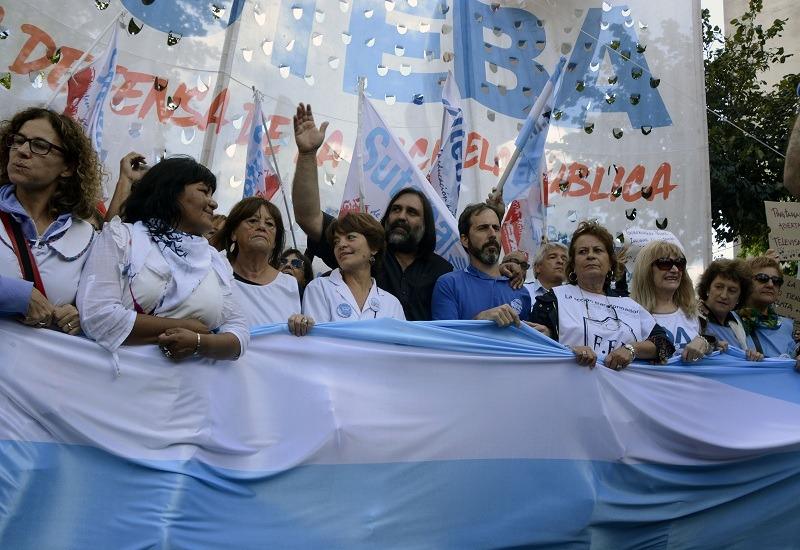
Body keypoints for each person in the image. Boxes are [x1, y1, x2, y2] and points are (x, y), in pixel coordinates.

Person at [291, 102, 452, 321]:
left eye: (412, 212)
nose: (401, 216)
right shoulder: (360, 247)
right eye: (396, 209)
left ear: (427, 225)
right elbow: (308, 217)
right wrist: (308, 155)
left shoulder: (443, 272)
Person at [77, 156, 248, 362]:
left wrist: (199, 343)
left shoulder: (216, 262)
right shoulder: (121, 238)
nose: (213, 202)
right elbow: (97, 316)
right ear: (172, 192)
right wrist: (187, 327)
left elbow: (239, 332)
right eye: (204, 191)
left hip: (189, 391)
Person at [0, 107, 102, 335]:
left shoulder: (87, 236)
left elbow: (99, 304)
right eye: (18, 140)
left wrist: (78, 315)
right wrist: (16, 294)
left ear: (67, 167)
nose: (22, 151)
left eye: (39, 146)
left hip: (37, 367)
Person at [531, 220, 674, 370]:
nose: (590, 256)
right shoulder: (552, 301)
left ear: (610, 263)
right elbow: (534, 349)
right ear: (572, 265)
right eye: (582, 252)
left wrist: (632, 349)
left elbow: (664, 344)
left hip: (620, 391)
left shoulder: (629, 305)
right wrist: (568, 351)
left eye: (598, 250)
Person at [294, 212, 405, 333]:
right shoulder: (319, 288)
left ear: (373, 247)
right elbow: (319, 343)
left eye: (350, 237)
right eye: (336, 241)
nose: (341, 245)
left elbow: (398, 349)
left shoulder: (392, 304)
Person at [432, 203, 532, 326]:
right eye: (483, 228)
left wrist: (548, 333)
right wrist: (479, 320)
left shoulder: (520, 291)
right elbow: (445, 340)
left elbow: (527, 342)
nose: (492, 234)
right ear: (465, 239)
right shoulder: (449, 285)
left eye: (496, 228)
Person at [211, 197, 301, 326]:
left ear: (275, 241)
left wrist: (303, 323)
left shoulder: (290, 284)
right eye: (253, 221)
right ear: (233, 233)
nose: (262, 227)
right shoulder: (217, 273)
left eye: (270, 224)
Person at [630, 240, 716, 362]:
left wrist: (704, 342)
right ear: (646, 270)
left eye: (680, 263)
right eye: (665, 263)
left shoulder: (691, 313)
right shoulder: (630, 315)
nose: (675, 269)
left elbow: (713, 349)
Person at [695, 259, 763, 361]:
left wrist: (752, 356)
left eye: (732, 290)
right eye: (719, 287)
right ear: (707, 288)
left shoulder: (736, 322)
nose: (724, 295)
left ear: (740, 297)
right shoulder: (691, 316)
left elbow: (744, 355)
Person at [738, 256, 798, 361]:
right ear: (746, 283)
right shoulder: (729, 320)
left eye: (776, 281)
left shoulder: (787, 325)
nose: (770, 285)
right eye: (762, 278)